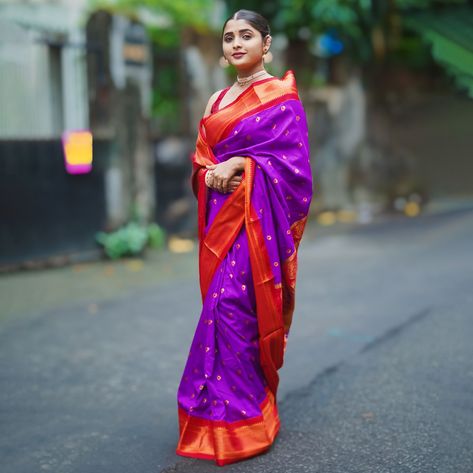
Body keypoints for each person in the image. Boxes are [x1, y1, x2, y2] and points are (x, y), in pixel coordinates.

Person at [175, 9, 313, 466]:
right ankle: (216, 416)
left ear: (266, 44)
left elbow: (294, 172)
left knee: (237, 311)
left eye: (246, 35)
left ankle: (247, 420)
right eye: (229, 36)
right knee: (217, 314)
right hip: (221, 223)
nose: (236, 43)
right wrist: (212, 172)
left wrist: (244, 166)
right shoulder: (216, 100)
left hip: (256, 227)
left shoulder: (281, 97)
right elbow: (201, 157)